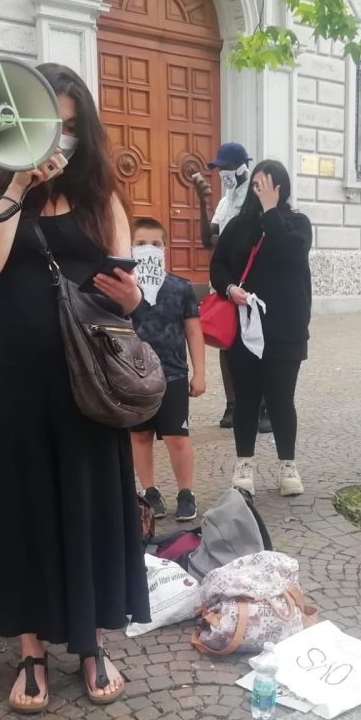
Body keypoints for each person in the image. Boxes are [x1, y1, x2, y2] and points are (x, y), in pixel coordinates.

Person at [0, 63, 150, 714]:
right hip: (13, 381)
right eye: (48, 127)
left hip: (85, 384)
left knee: (90, 509)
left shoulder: (102, 199)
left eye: (69, 127)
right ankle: (31, 650)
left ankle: (92, 642)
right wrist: (15, 182)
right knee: (23, 510)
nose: (58, 140)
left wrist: (135, 300)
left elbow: (125, 295)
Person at [209, 160, 312, 496]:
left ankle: (287, 465)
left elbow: (289, 255)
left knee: (282, 399)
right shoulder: (238, 226)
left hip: (285, 329)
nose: (261, 192)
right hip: (244, 328)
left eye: (268, 186)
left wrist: (271, 212)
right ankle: (244, 464)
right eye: (257, 186)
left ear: (282, 188)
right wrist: (229, 288)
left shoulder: (297, 224)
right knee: (247, 399)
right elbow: (218, 266)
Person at [127, 216, 205, 523]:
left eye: (155, 244)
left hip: (173, 374)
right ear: (130, 248)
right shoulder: (123, 289)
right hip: (134, 377)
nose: (148, 248)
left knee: (177, 437)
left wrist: (200, 372)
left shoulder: (180, 288)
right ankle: (150, 491)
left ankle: (186, 492)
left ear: (165, 249)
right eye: (141, 243)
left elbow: (194, 331)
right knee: (140, 436)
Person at [191, 142, 268, 433]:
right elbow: (207, 240)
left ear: (242, 167)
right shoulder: (224, 202)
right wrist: (202, 203)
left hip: (250, 284)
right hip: (225, 283)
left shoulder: (255, 197)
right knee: (227, 342)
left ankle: (262, 404)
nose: (221, 173)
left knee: (256, 342)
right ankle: (232, 404)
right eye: (218, 168)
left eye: (225, 167)